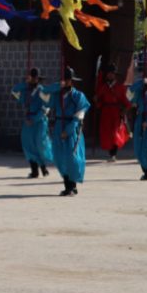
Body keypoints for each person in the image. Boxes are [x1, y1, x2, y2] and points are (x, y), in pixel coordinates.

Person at [47, 68, 90, 197]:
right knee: (59, 157)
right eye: (64, 80)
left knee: (72, 158)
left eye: (68, 80)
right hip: (59, 125)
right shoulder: (57, 95)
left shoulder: (78, 96)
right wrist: (56, 86)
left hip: (72, 127)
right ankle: (67, 186)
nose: (66, 82)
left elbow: (79, 115)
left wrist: (68, 130)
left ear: (72, 81)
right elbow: (43, 93)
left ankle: (72, 186)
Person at [11, 68, 52, 178]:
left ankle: (43, 167)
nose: (34, 79)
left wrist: (34, 119)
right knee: (28, 145)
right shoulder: (26, 90)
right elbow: (14, 91)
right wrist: (25, 83)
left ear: (38, 78)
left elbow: (45, 108)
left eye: (35, 77)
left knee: (40, 144)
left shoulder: (42, 90)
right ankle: (34, 171)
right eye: (32, 77)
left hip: (39, 121)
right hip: (28, 119)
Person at [94, 64, 129, 162]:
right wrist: (96, 100)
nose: (110, 76)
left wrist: (124, 111)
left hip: (116, 112)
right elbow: (99, 101)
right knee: (107, 133)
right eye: (108, 74)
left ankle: (114, 153)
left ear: (114, 75)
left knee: (115, 132)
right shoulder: (103, 87)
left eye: (112, 74)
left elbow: (126, 102)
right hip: (106, 112)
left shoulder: (120, 87)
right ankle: (111, 152)